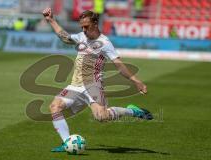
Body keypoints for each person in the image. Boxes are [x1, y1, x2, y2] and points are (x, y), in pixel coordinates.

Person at [42, 8, 153, 152]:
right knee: (55, 106)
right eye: (81, 26)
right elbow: (65, 37)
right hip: (75, 85)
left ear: (95, 23)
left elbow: (119, 66)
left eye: (86, 26)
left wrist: (136, 81)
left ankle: (132, 111)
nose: (84, 29)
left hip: (93, 86)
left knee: (102, 117)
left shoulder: (105, 43)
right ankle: (66, 142)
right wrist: (51, 20)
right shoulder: (81, 37)